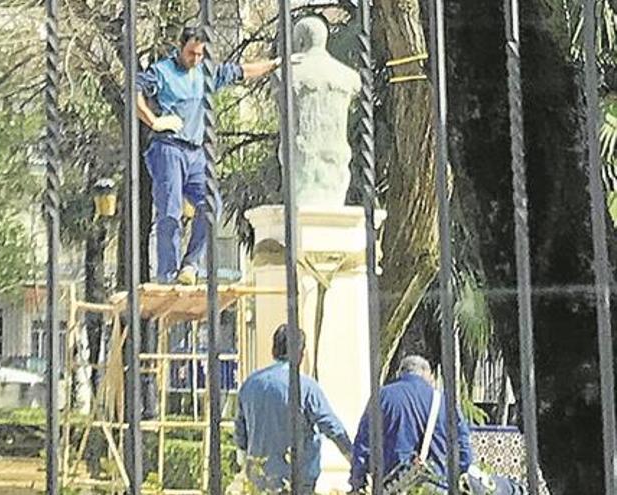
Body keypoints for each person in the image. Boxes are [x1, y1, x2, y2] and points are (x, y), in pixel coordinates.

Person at [135, 26, 283, 284]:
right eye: (191, 53)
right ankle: (167, 274)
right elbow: (132, 91)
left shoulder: (206, 72)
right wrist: (154, 121)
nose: (195, 59)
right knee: (169, 213)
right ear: (180, 47)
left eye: (200, 55)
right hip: (168, 148)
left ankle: (190, 265)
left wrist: (275, 64)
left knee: (212, 204)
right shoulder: (162, 72)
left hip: (195, 152)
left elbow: (242, 71)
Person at [234, 324, 353, 494]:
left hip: (259, 477)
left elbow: (240, 432)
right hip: (298, 478)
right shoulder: (305, 386)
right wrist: (353, 458)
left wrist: (244, 460)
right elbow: (331, 426)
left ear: (273, 350)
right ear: (300, 354)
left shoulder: (250, 384)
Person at [348, 355, 474, 493]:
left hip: (393, 487)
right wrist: (456, 476)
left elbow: (363, 444)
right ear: (428, 375)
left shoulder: (383, 396)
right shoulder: (445, 402)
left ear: (400, 372)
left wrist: (358, 482)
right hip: (436, 487)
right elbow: (464, 449)